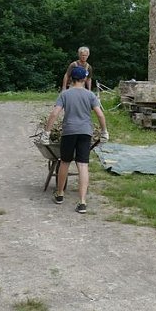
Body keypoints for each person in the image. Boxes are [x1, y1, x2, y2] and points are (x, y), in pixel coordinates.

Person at [41, 65, 108, 214]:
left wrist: (46, 132)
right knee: (83, 165)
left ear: (71, 78)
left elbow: (54, 114)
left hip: (69, 132)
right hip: (85, 132)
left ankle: (59, 195)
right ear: (84, 78)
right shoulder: (90, 95)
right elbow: (100, 115)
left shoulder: (65, 94)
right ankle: (82, 202)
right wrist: (104, 132)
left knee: (64, 162)